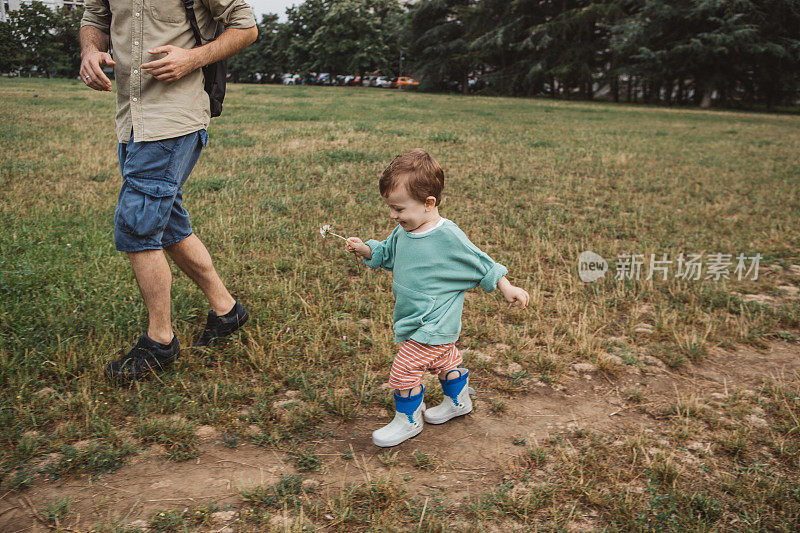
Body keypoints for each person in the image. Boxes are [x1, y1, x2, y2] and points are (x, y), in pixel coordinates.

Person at [79, 0, 258, 380]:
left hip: (173, 117)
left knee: (138, 224)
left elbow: (245, 26)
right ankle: (228, 311)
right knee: (169, 222)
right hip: (131, 118)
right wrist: (90, 51)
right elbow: (94, 17)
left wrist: (192, 59)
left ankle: (160, 341)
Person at [345, 149, 530, 447]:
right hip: (414, 316)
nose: (394, 215)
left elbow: (482, 263)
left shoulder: (448, 237)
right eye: (391, 208)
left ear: (429, 203)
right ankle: (458, 402)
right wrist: (366, 250)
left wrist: (507, 287)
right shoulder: (404, 230)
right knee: (444, 361)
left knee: (404, 369)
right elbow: (387, 254)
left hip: (434, 324)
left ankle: (408, 420)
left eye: (400, 209)